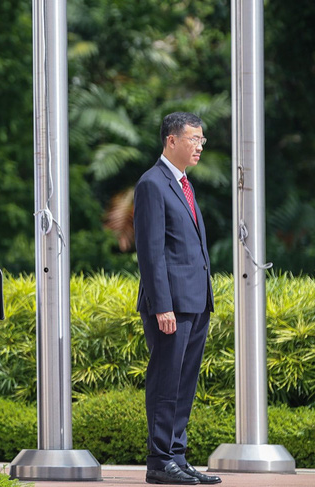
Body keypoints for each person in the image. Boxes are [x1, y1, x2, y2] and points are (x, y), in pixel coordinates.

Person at [134, 112, 221, 485]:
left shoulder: (184, 184)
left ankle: (177, 456)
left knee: (184, 383)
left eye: (202, 139)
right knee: (166, 382)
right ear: (171, 140)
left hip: (196, 301)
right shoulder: (152, 184)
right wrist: (162, 305)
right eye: (193, 139)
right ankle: (159, 460)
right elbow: (151, 252)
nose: (200, 145)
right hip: (170, 305)